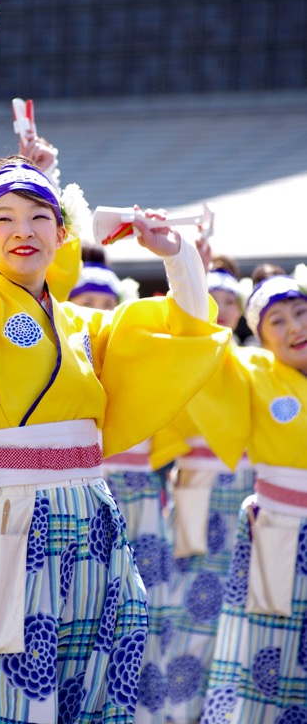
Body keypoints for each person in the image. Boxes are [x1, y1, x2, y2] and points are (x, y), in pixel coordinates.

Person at [0, 31, 229, 723]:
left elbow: (181, 332)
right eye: (3, 219)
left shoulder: (84, 325)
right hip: (14, 521)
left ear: (61, 232)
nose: (23, 229)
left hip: (95, 521)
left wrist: (178, 259)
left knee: (93, 684)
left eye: (39, 217)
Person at [180, 268, 307, 723]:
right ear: (260, 335)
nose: (294, 326)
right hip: (278, 525)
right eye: (277, 321)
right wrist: (189, 267)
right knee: (268, 651)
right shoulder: (255, 371)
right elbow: (204, 353)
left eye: (300, 312)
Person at [147, 264, 255, 724]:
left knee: (243, 602)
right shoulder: (182, 358)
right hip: (197, 487)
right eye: (213, 298)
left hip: (247, 489)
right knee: (191, 600)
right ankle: (177, 707)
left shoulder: (257, 361)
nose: (223, 309)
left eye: (231, 301)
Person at [68, 251, 172, 724]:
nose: (95, 310)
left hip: (140, 493)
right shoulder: (64, 361)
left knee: (144, 600)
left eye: (104, 301)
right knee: (88, 606)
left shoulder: (132, 355)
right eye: (84, 300)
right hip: (87, 489)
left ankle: (145, 706)